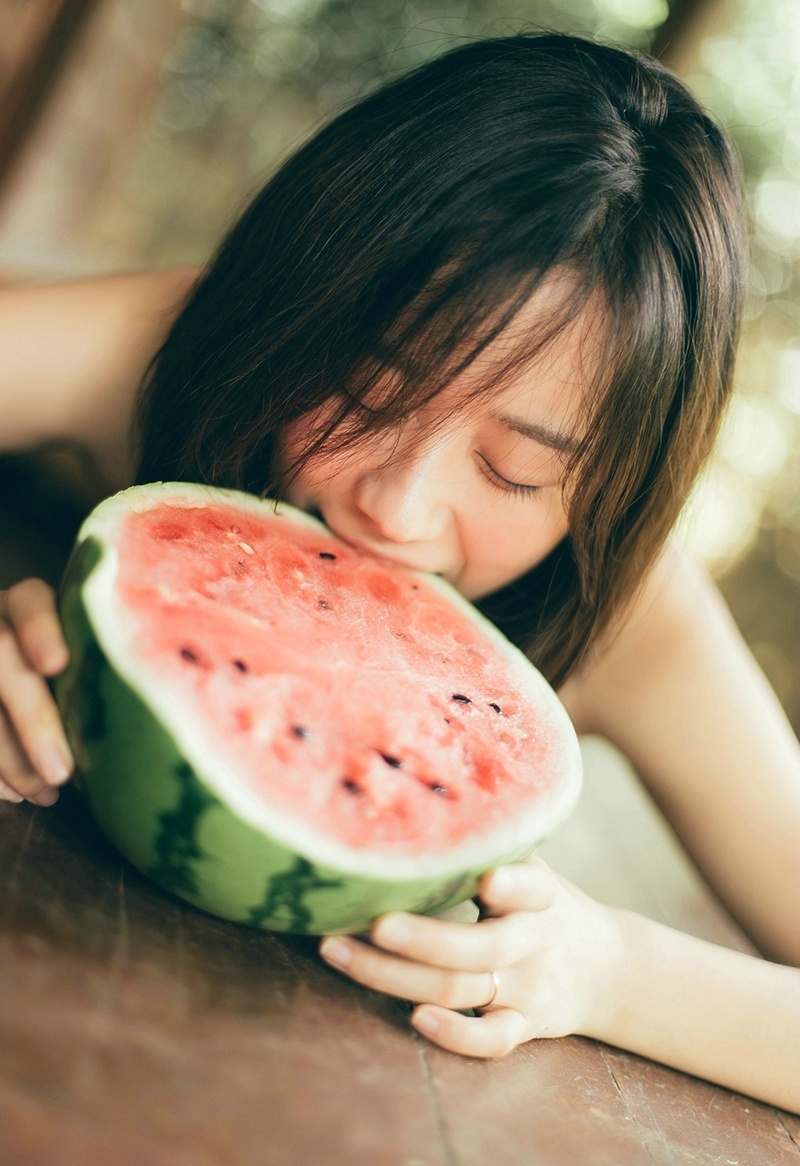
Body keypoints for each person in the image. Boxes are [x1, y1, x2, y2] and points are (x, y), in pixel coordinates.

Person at [0, 32, 798, 1111]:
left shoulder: (634, 614)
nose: (396, 504)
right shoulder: (165, 350)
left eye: (513, 472)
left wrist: (611, 972)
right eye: (366, 396)